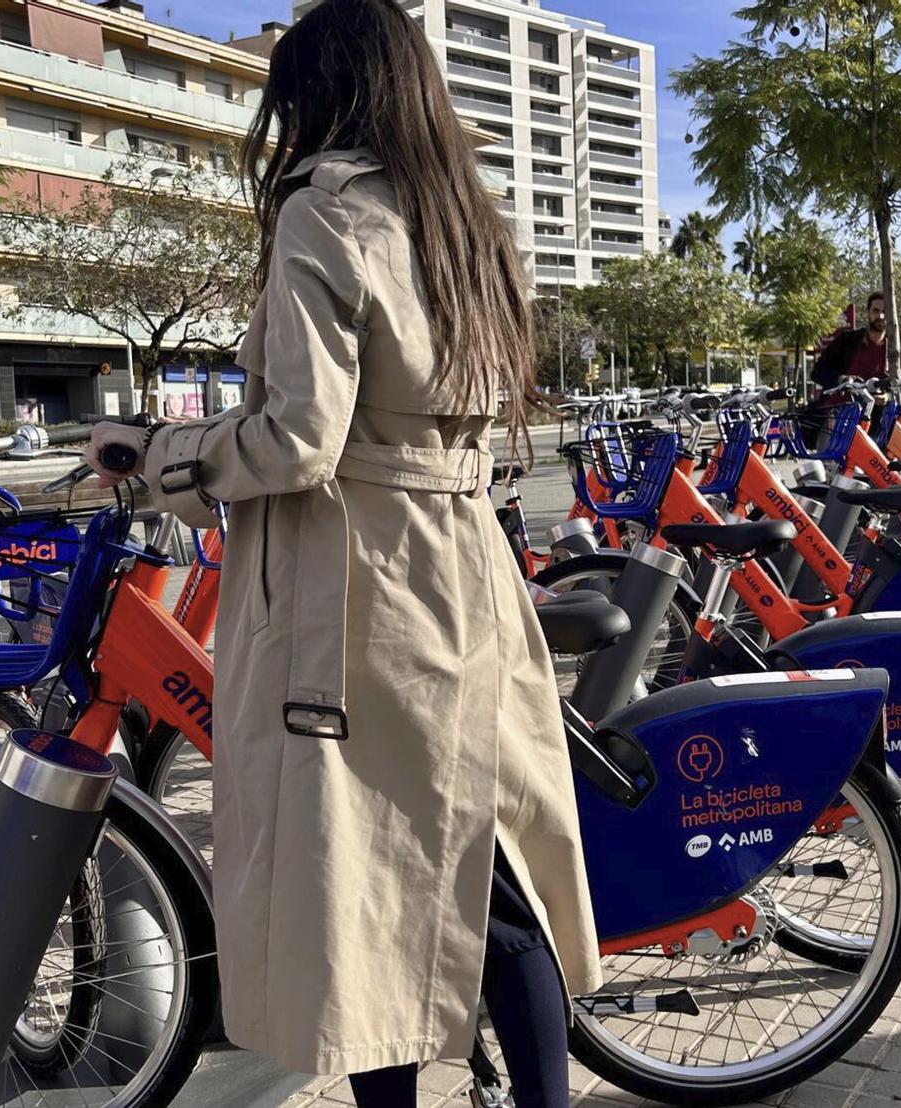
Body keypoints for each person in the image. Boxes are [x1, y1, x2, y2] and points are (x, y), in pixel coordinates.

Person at [84, 3, 602, 1106]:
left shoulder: (325, 213)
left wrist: (162, 454)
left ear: (319, 95)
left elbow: (298, 441)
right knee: (489, 870)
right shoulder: (470, 221)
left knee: (363, 893)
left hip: (356, 593)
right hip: (467, 565)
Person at [811, 291, 888, 391]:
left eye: (884, 312)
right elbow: (817, 372)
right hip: (840, 400)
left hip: (875, 401)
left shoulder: (895, 352)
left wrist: (887, 395)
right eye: (875, 311)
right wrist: (841, 380)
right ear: (868, 312)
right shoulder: (846, 341)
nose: (880, 316)